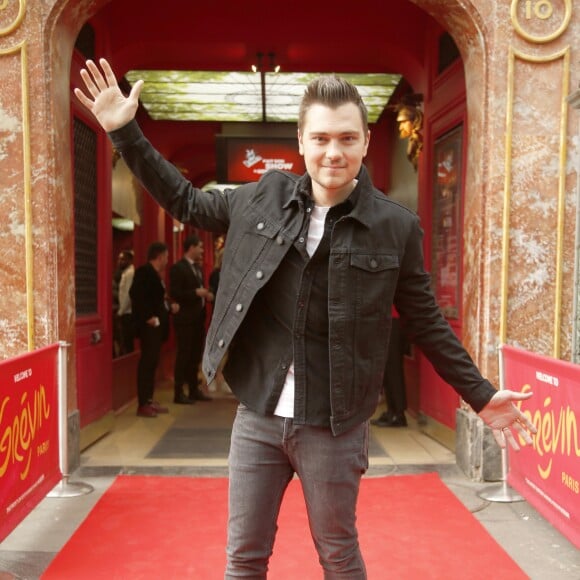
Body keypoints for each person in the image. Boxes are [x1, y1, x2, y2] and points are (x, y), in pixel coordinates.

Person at [76, 59, 537, 579]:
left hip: (336, 424)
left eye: (346, 138)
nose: (332, 152)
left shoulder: (395, 227)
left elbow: (426, 320)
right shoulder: (260, 199)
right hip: (258, 414)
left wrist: (480, 394)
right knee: (243, 559)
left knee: (338, 556)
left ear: (365, 142)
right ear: (301, 142)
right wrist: (125, 131)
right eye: (320, 138)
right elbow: (187, 201)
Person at [130, 241, 177, 417]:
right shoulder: (144, 272)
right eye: (166, 256)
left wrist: (169, 307)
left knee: (152, 364)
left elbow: (156, 298)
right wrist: (148, 317)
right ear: (159, 256)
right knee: (146, 364)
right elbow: (136, 295)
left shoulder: (156, 275)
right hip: (149, 328)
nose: (167, 260)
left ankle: (149, 400)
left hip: (157, 328)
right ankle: (143, 403)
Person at [170, 235, 213, 403]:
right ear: (191, 248)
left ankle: (194, 389)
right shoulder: (178, 268)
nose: (202, 251)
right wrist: (195, 293)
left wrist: (206, 295)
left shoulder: (198, 269)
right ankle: (179, 392)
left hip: (198, 319)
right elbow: (175, 293)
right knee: (184, 355)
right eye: (200, 247)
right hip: (185, 319)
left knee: (195, 355)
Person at [371, 310, 408, 427]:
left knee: (394, 368)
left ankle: (399, 414)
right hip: (387, 319)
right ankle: (391, 410)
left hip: (394, 320)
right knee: (387, 368)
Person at [116, 249, 135, 355]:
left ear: (130, 260)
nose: (120, 261)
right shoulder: (125, 273)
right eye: (119, 259)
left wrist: (120, 312)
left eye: (123, 259)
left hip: (128, 313)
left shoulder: (130, 273)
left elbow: (128, 294)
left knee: (128, 342)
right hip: (125, 312)